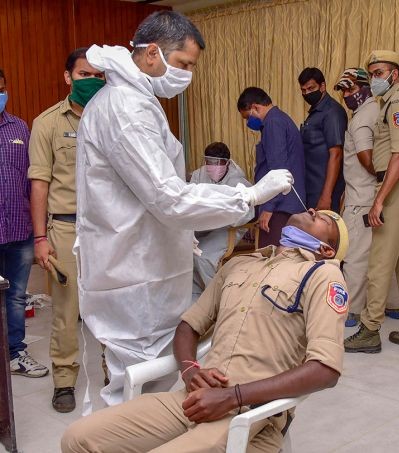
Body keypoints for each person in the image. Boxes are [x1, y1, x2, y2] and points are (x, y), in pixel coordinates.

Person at [76, 11, 293, 406]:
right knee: (133, 388)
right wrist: (248, 197)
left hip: (146, 260)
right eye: (184, 65)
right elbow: (170, 197)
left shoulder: (138, 100)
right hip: (133, 271)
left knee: (147, 380)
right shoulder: (126, 108)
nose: (188, 75)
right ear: (153, 54)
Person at [61, 209, 348, 452]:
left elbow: (325, 370)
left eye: (325, 220)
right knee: (77, 439)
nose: (312, 210)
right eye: (315, 209)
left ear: (326, 249)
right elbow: (189, 325)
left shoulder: (323, 275)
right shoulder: (240, 264)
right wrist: (190, 372)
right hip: (193, 397)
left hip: (252, 415)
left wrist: (232, 396)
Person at [28, 47, 106, 413]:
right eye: (83, 74)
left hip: (110, 230)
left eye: (97, 75)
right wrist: (40, 238)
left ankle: (114, 372)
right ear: (67, 77)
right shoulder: (48, 123)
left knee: (113, 303)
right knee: (65, 310)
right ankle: (63, 381)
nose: (90, 81)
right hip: (66, 229)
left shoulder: (112, 119)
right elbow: (39, 183)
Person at [344, 50, 399, 353]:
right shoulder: (390, 102)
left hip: (397, 187)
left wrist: (379, 199)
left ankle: (369, 329)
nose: (376, 78)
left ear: (395, 74)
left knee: (378, 261)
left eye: (380, 72)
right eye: (373, 73)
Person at [333, 68, 399, 327]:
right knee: (385, 252)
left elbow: (366, 159)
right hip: (381, 196)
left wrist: (379, 178)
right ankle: (394, 304)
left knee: (356, 255)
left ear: (364, 87)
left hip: (362, 198)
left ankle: (353, 310)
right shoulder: (381, 109)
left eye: (351, 90)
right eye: (343, 92)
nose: (347, 96)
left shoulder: (360, 119)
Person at [0, 68, 49, 381]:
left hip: (18, 229)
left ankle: (15, 353)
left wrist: (39, 229)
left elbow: (34, 181)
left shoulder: (19, 128)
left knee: (16, 296)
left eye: (1, 88)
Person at [237, 87, 307, 247]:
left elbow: (279, 171)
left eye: (247, 117)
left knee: (271, 260)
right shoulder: (279, 120)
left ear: (255, 107)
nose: (248, 122)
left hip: (280, 207)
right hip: (284, 204)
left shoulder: (273, 123)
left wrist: (268, 208)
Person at [190, 142, 254, 299]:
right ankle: (197, 295)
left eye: (217, 163)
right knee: (184, 252)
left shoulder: (239, 182)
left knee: (203, 257)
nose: (212, 167)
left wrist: (220, 216)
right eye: (209, 162)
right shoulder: (198, 175)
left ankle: (216, 299)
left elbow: (247, 213)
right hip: (202, 226)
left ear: (227, 162)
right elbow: (190, 199)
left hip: (228, 228)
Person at [298, 67, 347, 212]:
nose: (307, 93)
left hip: (324, 192)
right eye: (303, 90)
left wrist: (326, 196)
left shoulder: (332, 112)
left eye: (311, 88)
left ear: (323, 86)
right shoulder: (314, 112)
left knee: (322, 234)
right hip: (311, 189)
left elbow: (336, 154)